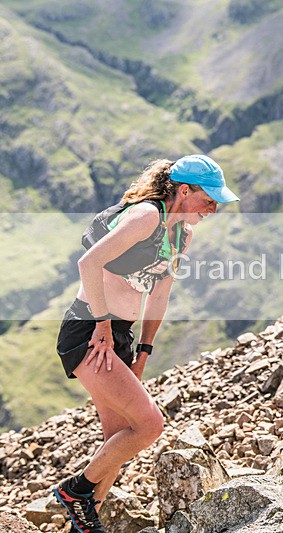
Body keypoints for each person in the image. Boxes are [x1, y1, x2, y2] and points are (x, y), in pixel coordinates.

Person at [52, 155, 239, 532]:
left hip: (119, 336)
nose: (213, 209)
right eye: (208, 199)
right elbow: (88, 264)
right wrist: (102, 324)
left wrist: (144, 351)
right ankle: (76, 491)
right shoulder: (146, 217)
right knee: (150, 425)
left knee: (116, 441)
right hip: (90, 330)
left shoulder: (182, 234)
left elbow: (159, 295)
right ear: (184, 191)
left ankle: (83, 524)